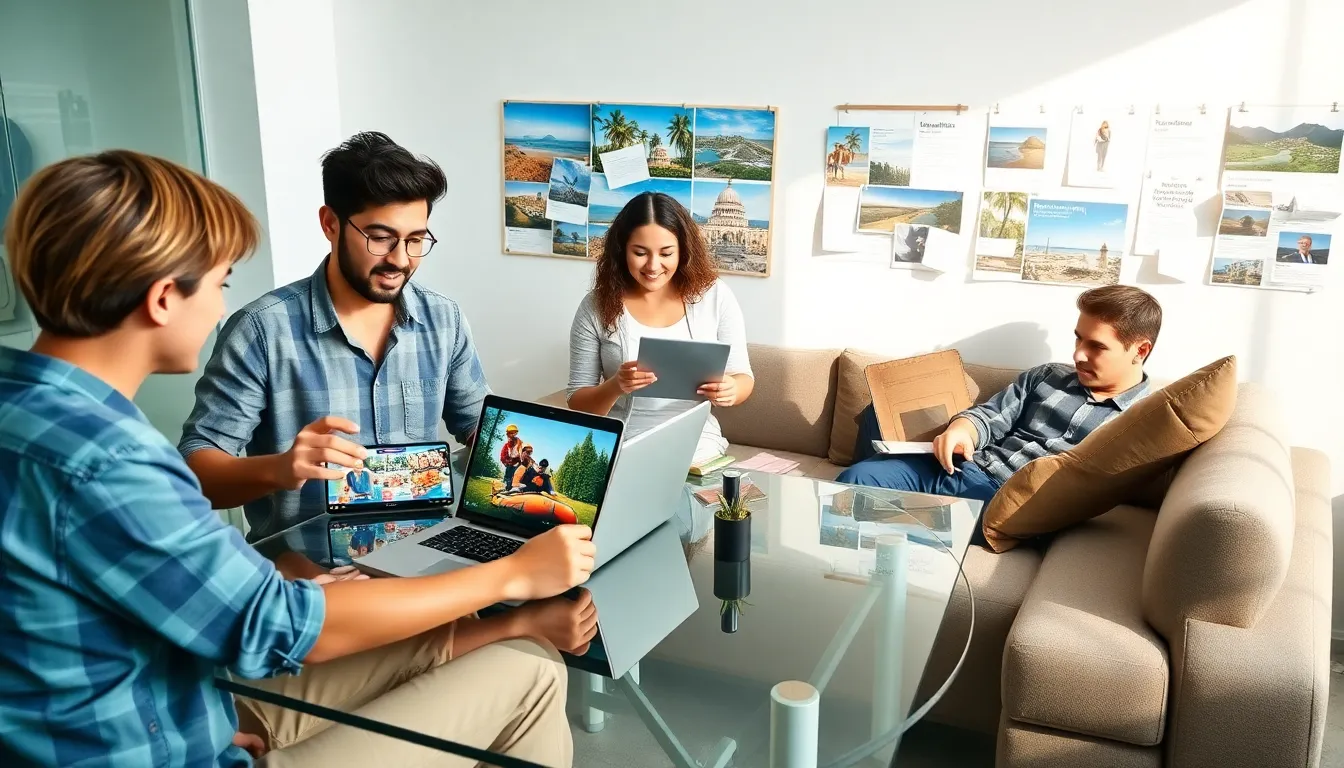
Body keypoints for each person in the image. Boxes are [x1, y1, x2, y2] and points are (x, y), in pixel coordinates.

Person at [0, 150, 599, 766]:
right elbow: (278, 622)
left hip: (241, 670)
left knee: (507, 656)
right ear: (163, 298)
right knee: (531, 673)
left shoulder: (34, 416)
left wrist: (203, 724)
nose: (401, 257)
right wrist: (512, 577)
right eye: (219, 282)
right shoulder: (119, 458)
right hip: (304, 594)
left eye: (417, 239)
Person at [178, 131, 490, 550]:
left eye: (416, 240)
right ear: (330, 224)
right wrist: (281, 468)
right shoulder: (261, 330)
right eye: (380, 237)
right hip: (306, 570)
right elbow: (195, 471)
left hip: (422, 556)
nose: (400, 259)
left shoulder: (443, 319)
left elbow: (477, 427)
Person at [838, 285, 1161, 546]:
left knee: (883, 517)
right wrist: (962, 430)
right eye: (1078, 337)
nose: (1078, 354)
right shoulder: (1047, 376)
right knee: (855, 483)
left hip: (1008, 504)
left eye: (1097, 346)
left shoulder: (1141, 422)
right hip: (961, 466)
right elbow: (990, 416)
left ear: (1140, 350)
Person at [567, 192, 754, 459]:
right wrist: (616, 385)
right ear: (622, 250)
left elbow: (743, 378)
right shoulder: (596, 306)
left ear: (683, 250)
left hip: (697, 442)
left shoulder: (715, 296)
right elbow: (578, 403)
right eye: (640, 253)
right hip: (621, 442)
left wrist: (731, 390)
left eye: (666, 253)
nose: (653, 266)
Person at [500, 423, 524, 487]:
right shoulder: (506, 445)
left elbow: (522, 455)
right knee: (507, 480)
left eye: (512, 433)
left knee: (514, 481)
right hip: (509, 465)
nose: (509, 436)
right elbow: (502, 456)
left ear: (515, 433)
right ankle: (506, 486)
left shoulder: (520, 444)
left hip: (517, 465)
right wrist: (506, 462)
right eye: (508, 434)